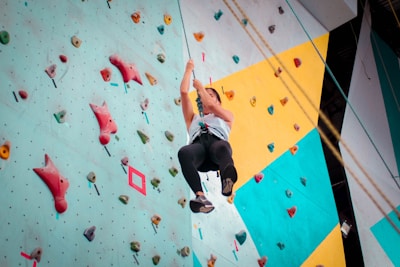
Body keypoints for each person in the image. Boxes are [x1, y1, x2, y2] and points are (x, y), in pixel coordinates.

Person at [178, 59, 238, 213]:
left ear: (218, 101)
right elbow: (184, 93)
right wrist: (189, 69)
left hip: (216, 149)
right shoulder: (193, 118)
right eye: (203, 96)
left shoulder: (226, 116)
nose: (204, 98)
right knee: (184, 152)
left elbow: (211, 105)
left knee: (222, 146)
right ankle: (200, 197)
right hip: (199, 151)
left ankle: (227, 178)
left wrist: (201, 88)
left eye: (211, 95)